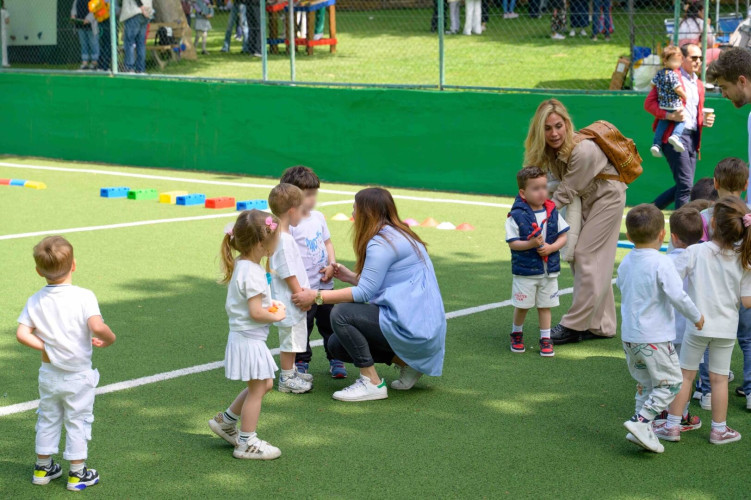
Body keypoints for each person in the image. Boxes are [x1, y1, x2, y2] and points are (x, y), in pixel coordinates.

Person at [292, 188, 446, 402]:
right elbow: (383, 285)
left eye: (355, 208)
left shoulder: (381, 243)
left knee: (341, 313)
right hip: (425, 328)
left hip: (414, 329)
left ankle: (371, 382)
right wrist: (351, 277)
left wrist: (317, 296)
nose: (353, 213)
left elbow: (364, 292)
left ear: (367, 212)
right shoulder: (400, 233)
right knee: (336, 345)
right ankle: (407, 363)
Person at [16, 236, 116, 490]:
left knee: (48, 417)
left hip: (49, 374)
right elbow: (97, 326)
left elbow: (22, 334)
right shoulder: (84, 296)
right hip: (78, 376)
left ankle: (43, 468)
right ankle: (77, 473)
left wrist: (46, 347)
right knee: (78, 420)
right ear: (74, 265)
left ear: (39, 271)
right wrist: (109, 338)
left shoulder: (35, 300)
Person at [524, 99, 626, 344]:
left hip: (607, 198)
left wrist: (537, 214)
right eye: (547, 128)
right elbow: (549, 184)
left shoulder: (582, 150)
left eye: (558, 126)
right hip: (588, 199)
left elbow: (566, 190)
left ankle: (574, 325)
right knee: (593, 261)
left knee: (585, 256)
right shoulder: (553, 152)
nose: (554, 133)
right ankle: (602, 325)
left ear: (567, 124)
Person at [655, 197, 751, 445]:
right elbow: (747, 301)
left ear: (713, 224)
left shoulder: (695, 251)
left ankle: (672, 426)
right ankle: (719, 429)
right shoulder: (743, 259)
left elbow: (671, 279)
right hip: (726, 329)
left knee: (685, 376)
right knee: (719, 379)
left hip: (697, 325)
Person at [617, 204, 703, 453]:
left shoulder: (625, 262)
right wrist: (696, 316)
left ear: (628, 235)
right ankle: (641, 421)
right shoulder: (661, 262)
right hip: (655, 337)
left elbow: (623, 288)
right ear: (663, 234)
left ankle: (642, 431)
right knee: (673, 383)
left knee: (645, 384)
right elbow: (678, 296)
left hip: (631, 336)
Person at [209, 210, 285, 460]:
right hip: (249, 339)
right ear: (261, 242)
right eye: (275, 239)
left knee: (264, 384)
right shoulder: (251, 272)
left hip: (246, 337)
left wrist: (270, 305)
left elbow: (254, 304)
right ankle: (246, 442)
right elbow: (255, 311)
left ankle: (226, 421)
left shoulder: (245, 265)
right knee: (258, 389)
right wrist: (276, 315)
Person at [280, 166, 348, 379]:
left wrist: (332, 264)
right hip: (303, 290)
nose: (312, 199)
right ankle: (301, 361)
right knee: (303, 327)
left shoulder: (318, 217)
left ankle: (336, 358)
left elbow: (327, 243)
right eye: (307, 194)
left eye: (314, 194)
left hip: (325, 286)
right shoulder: (290, 224)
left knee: (331, 325)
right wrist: (297, 289)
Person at [505, 166, 570, 357]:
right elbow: (513, 243)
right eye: (536, 188)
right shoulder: (516, 216)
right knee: (522, 306)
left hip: (549, 271)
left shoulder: (552, 211)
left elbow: (563, 236)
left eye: (544, 187)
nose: (542, 192)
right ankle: (516, 333)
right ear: (522, 193)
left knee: (545, 306)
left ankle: (545, 338)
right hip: (525, 271)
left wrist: (551, 247)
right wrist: (531, 244)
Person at [651, 206, 705, 432]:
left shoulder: (664, 261)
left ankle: (662, 412)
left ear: (672, 236)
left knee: (664, 372)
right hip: (692, 327)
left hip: (665, 328)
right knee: (686, 374)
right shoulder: (703, 260)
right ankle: (680, 414)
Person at [646, 43, 714, 210]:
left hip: (692, 137)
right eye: (694, 57)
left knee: (685, 185)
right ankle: (680, 225)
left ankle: (647, 212)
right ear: (682, 58)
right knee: (685, 185)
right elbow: (649, 104)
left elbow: (693, 112)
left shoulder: (698, 83)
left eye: (700, 58)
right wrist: (669, 115)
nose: (698, 61)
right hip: (674, 136)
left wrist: (704, 121)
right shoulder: (670, 76)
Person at [267, 184, 315, 394]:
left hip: (292, 298)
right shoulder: (283, 239)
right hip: (291, 299)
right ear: (292, 211)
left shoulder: (282, 236)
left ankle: (292, 371)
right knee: (291, 339)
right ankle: (286, 377)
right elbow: (287, 271)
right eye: (301, 210)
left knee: (295, 336)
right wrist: (300, 294)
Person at [650, 47, 688, 158]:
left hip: (663, 104)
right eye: (674, 61)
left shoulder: (659, 74)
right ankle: (676, 136)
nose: (677, 64)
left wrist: (661, 91)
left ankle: (656, 144)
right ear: (665, 61)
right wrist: (685, 96)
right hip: (674, 104)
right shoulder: (673, 74)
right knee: (682, 120)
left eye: (679, 61)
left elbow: (652, 84)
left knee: (662, 124)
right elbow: (677, 88)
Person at [120, 0, 153, 74]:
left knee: (129, 43)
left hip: (134, 12)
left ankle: (129, 68)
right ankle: (140, 69)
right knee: (141, 43)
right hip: (146, 13)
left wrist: (141, 6)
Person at [71, 0, 100, 71]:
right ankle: (84, 63)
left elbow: (96, 9)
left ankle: (94, 63)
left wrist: (88, 19)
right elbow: (74, 8)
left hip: (91, 26)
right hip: (80, 26)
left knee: (93, 44)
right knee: (83, 44)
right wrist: (73, 15)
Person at [1, 0, 9, 68]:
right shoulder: (4, 11)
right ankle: (4, 62)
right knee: (3, 46)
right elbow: (7, 21)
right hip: (3, 30)